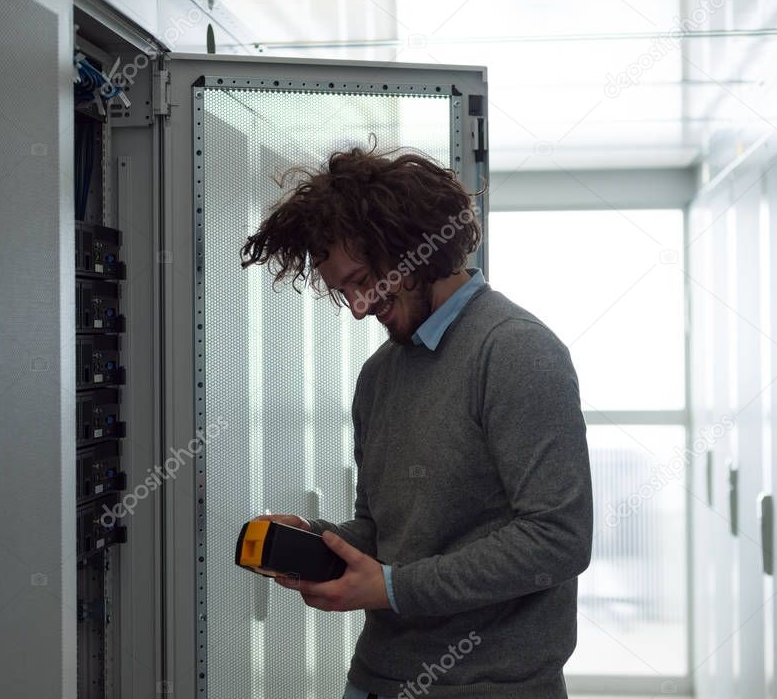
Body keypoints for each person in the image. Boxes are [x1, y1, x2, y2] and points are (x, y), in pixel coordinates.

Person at [240, 145, 593, 699]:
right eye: (343, 292)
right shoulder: (379, 375)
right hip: (377, 678)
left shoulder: (516, 352)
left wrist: (391, 587)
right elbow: (386, 532)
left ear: (413, 250)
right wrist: (324, 540)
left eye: (364, 280)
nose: (358, 307)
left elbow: (557, 539)